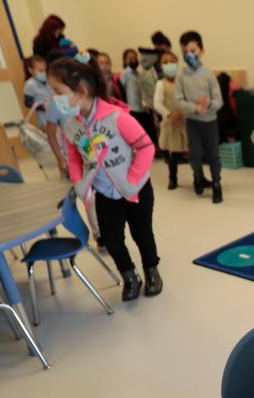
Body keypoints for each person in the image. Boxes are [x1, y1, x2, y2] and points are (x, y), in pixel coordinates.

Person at [48, 56, 163, 300]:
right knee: (111, 240)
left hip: (136, 190)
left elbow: (146, 147)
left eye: (59, 92)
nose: (54, 98)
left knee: (142, 234)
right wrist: (80, 183)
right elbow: (74, 155)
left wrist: (132, 178)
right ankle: (129, 276)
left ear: (81, 91)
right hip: (105, 194)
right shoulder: (71, 124)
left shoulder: (116, 117)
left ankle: (152, 270)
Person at [175, 30, 223, 204]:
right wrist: (194, 108)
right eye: (185, 52)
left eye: (193, 51)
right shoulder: (181, 76)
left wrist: (209, 103)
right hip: (193, 122)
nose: (189, 55)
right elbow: (179, 101)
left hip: (210, 122)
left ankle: (217, 183)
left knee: (213, 155)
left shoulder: (209, 75)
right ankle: (198, 176)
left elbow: (219, 100)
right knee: (195, 154)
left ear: (201, 51)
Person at [22, 55, 68, 178]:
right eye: (40, 70)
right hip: (45, 119)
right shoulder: (30, 85)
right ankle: (63, 169)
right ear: (31, 70)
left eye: (45, 70)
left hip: (58, 116)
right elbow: (27, 102)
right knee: (56, 145)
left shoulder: (49, 81)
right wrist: (43, 106)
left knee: (64, 143)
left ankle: (67, 166)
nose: (43, 73)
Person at [153, 52, 188, 189]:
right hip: (170, 124)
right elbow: (157, 103)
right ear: (161, 66)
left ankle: (199, 176)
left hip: (184, 121)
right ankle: (172, 177)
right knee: (172, 153)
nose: (169, 65)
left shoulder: (182, 82)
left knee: (189, 149)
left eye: (172, 61)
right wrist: (169, 114)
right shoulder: (161, 84)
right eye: (165, 62)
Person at [120, 49, 157, 146]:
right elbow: (121, 90)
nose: (133, 60)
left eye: (135, 57)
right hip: (133, 108)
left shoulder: (139, 72)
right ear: (125, 61)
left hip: (143, 107)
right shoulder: (125, 73)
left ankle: (153, 148)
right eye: (130, 58)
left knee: (149, 129)